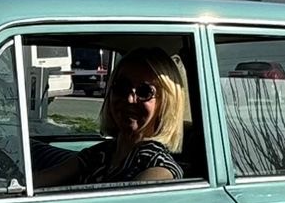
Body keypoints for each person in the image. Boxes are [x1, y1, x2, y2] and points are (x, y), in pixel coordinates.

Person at [36, 46, 187, 187]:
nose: (129, 99)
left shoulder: (159, 168)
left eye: (144, 92)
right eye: (121, 87)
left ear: (166, 102)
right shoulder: (100, 154)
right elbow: (38, 182)